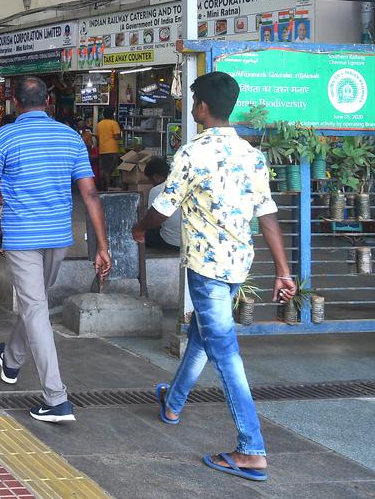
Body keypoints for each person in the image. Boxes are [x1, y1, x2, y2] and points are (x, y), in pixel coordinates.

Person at [132, 71, 295, 483]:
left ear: (202, 107)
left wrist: (140, 228)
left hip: (206, 269)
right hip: (238, 266)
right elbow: (268, 213)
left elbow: (163, 207)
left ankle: (251, 448)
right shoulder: (251, 154)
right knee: (204, 338)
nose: (191, 107)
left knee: (225, 353)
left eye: (192, 101)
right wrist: (282, 269)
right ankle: (173, 402)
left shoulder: (192, 153)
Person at [0, 77, 112, 424]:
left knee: (35, 307)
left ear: (14, 102)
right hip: (58, 236)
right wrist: (102, 245)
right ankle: (11, 357)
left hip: (23, 235)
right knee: (36, 303)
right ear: (48, 101)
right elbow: (90, 194)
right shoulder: (71, 137)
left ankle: (56, 399)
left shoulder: (6, 137)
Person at [142, 158, 181, 251]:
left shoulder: (156, 190)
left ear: (155, 176)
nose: (151, 183)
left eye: (150, 180)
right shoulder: (183, 184)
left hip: (171, 242)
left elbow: (152, 221)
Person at [95, 111, 122, 189]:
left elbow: (97, 137)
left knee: (102, 169)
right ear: (112, 115)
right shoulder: (114, 123)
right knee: (109, 170)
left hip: (102, 150)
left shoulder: (99, 124)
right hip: (112, 149)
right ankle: (107, 187)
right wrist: (120, 136)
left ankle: (101, 186)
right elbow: (116, 136)